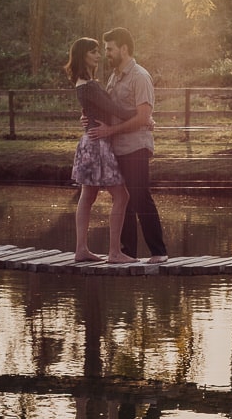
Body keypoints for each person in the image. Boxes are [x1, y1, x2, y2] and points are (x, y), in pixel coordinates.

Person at [87, 27, 168, 261]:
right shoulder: (115, 76)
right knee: (123, 199)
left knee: (140, 195)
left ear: (124, 49)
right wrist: (90, 119)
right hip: (117, 148)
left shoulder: (140, 76)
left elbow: (143, 117)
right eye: (105, 49)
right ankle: (126, 252)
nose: (107, 54)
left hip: (135, 147)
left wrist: (111, 130)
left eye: (110, 49)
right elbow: (113, 110)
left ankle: (159, 251)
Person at [64, 37, 137, 265]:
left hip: (90, 141)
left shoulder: (83, 83)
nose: (99, 55)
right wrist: (145, 115)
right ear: (83, 55)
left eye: (99, 51)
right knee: (121, 195)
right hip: (97, 144)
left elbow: (95, 110)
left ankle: (81, 250)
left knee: (88, 195)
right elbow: (116, 109)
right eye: (94, 52)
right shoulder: (90, 86)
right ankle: (114, 252)